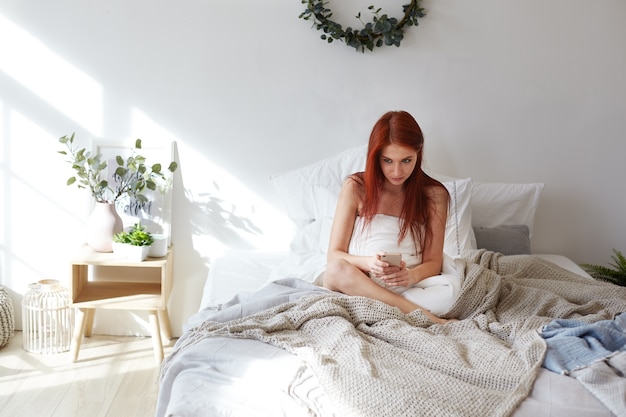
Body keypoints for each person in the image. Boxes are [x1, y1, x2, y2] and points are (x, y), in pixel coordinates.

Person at [322, 111, 459, 325]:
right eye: (388, 161)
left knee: (450, 296)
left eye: (406, 160)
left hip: (408, 284)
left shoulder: (434, 195)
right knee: (336, 271)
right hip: (361, 277)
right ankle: (430, 320)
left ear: (418, 153)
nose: (397, 171)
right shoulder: (356, 187)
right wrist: (369, 263)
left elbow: (433, 262)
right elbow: (334, 256)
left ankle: (382, 306)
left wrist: (411, 276)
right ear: (375, 157)